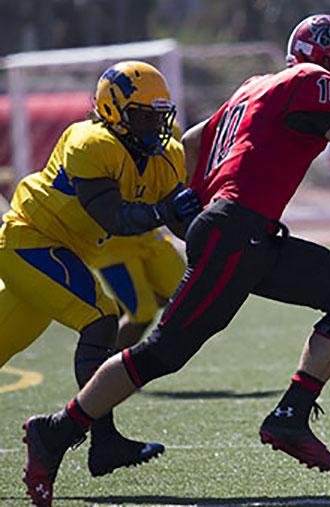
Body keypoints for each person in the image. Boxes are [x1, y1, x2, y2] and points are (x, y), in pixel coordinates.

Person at [22, 14, 330, 505]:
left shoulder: (256, 86)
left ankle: (290, 416)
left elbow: (190, 143)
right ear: (328, 58)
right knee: (160, 354)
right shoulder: (312, 81)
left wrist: (193, 202)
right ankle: (56, 430)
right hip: (236, 232)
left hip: (248, 234)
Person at [1, 60, 199, 491]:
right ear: (112, 110)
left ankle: (102, 442)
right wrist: (167, 211)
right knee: (102, 318)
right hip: (29, 239)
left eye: (158, 114)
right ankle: (103, 441)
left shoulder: (168, 154)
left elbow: (183, 225)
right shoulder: (88, 141)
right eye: (142, 115)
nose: (153, 124)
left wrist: (216, 230)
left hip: (62, 251)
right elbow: (113, 215)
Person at [91, 232, 186, 350]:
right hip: (113, 250)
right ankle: (112, 362)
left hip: (147, 236)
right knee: (142, 316)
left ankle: (120, 314)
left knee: (183, 293)